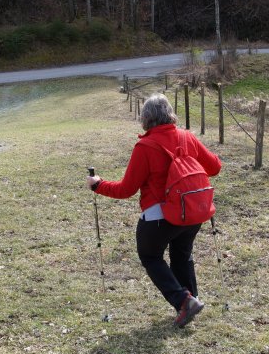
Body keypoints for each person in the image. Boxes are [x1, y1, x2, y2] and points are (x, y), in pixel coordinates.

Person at [87, 93, 222, 327]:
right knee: (182, 255)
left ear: (146, 118)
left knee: (150, 256)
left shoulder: (145, 146)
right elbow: (215, 167)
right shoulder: (187, 137)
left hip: (159, 217)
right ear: (170, 113)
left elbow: (126, 189)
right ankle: (190, 300)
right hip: (191, 210)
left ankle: (184, 301)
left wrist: (98, 185)